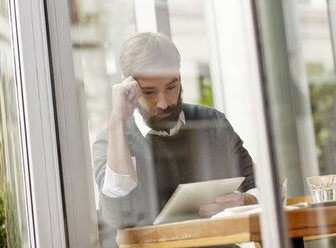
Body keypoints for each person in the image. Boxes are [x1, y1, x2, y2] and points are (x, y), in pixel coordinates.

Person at [93, 32, 258, 231]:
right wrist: (117, 121)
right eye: (149, 92)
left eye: (171, 87)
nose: (163, 103)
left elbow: (258, 186)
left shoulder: (212, 122)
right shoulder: (111, 139)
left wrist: (246, 200)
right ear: (128, 86)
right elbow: (116, 217)